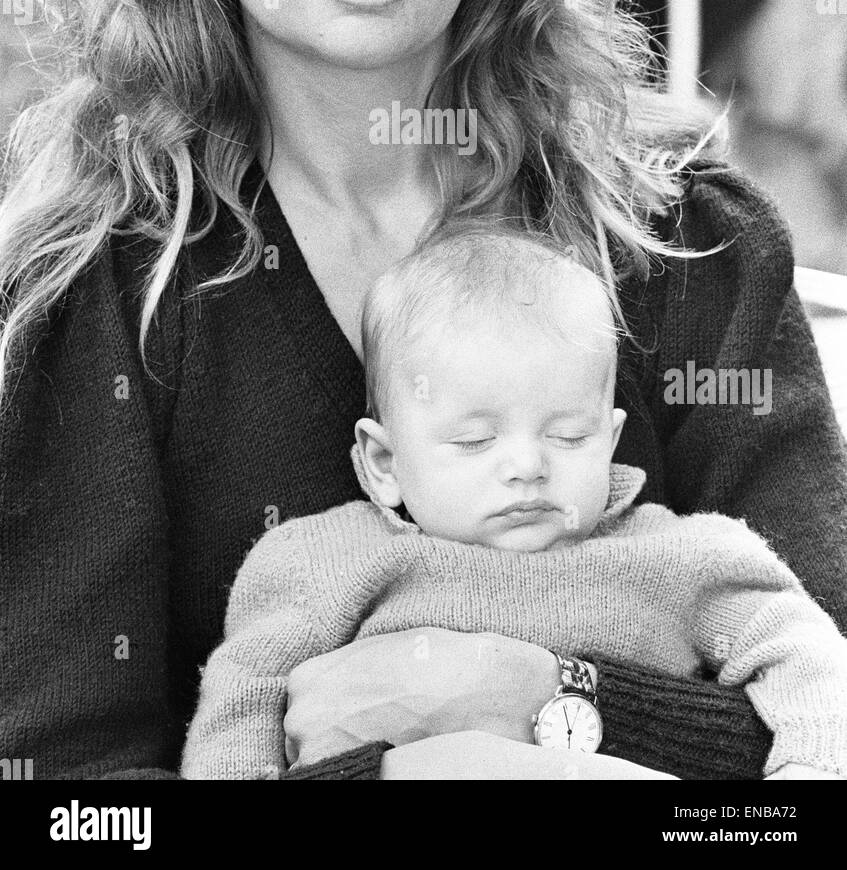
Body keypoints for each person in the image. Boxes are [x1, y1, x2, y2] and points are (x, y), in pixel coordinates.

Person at [1, 0, 846, 782]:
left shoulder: (684, 239)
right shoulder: (98, 287)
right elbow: (67, 796)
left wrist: (542, 702)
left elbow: (819, 713)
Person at [179, 229, 847, 781]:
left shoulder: (677, 557)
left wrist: (809, 767)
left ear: (611, 440)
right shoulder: (321, 563)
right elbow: (242, 700)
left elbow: (801, 648)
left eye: (567, 434)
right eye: (474, 440)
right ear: (383, 464)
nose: (527, 467)